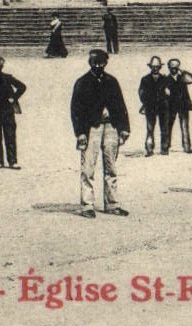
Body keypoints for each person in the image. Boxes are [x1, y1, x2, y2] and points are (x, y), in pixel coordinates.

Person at [70, 49, 130, 217]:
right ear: (90, 63)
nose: (98, 66)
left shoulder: (112, 81)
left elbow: (120, 106)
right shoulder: (82, 82)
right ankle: (87, 205)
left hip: (111, 127)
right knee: (88, 168)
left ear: (105, 63)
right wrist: (80, 133)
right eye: (95, 63)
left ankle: (112, 204)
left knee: (111, 166)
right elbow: (76, 110)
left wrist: (124, 128)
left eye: (101, 63)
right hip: (91, 128)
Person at [138, 57, 170, 155]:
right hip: (150, 107)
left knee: (164, 128)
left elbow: (169, 92)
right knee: (150, 128)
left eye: (157, 66)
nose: (155, 68)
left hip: (163, 107)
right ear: (150, 67)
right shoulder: (145, 79)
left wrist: (167, 94)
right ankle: (149, 148)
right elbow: (141, 92)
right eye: (153, 66)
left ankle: (164, 149)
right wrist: (146, 102)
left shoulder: (165, 78)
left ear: (160, 67)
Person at [164, 59, 192, 153]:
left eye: (175, 67)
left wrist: (182, 71)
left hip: (183, 105)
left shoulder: (183, 77)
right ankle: (166, 146)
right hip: (171, 105)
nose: (173, 69)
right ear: (169, 68)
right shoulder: (166, 79)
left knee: (184, 126)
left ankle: (187, 147)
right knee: (168, 126)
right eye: (171, 68)